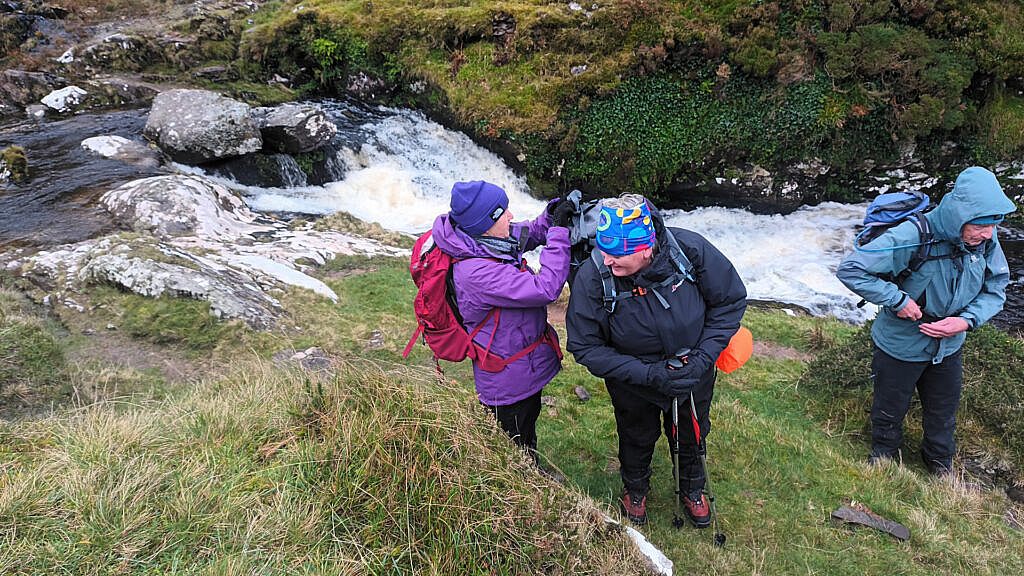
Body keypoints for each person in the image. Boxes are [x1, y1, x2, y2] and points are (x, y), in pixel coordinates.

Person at [566, 194, 747, 526]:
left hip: (694, 370)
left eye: (617, 254)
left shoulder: (689, 250)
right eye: (604, 249)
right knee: (636, 433)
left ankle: (692, 487)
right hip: (633, 380)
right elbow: (585, 346)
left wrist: (701, 360)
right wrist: (648, 374)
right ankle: (635, 489)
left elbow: (729, 302)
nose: (607, 260)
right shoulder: (595, 275)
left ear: (646, 248)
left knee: (692, 431)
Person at [836, 166, 1016, 476]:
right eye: (980, 226)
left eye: (992, 226)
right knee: (889, 408)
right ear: (960, 216)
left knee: (943, 413)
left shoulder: (985, 239)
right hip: (900, 345)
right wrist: (898, 300)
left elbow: (996, 289)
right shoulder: (912, 235)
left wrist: (966, 321)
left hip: (949, 346)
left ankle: (940, 467)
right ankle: (884, 459)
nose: (987, 234)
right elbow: (851, 269)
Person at [430, 180, 577, 460]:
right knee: (515, 450)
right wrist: (559, 234)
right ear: (485, 223)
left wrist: (550, 216)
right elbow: (546, 288)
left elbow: (528, 233)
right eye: (503, 212)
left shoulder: (480, 240)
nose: (510, 216)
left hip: (518, 368)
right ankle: (525, 484)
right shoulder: (476, 273)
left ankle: (531, 472)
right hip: (507, 382)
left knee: (526, 433)